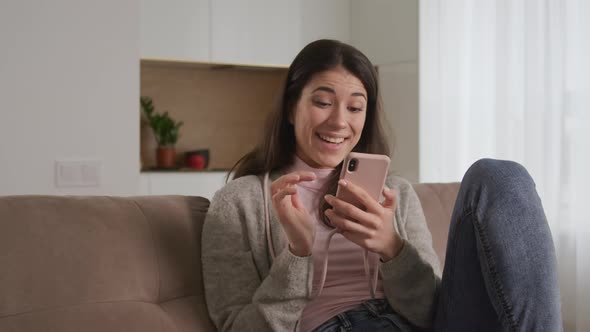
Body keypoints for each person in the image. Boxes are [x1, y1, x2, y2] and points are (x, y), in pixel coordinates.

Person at [201, 39, 562, 332]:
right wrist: (297, 253)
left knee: (498, 175)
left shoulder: (396, 195)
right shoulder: (239, 203)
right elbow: (239, 327)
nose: (339, 121)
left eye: (355, 108)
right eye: (323, 102)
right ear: (292, 108)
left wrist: (392, 248)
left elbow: (430, 312)